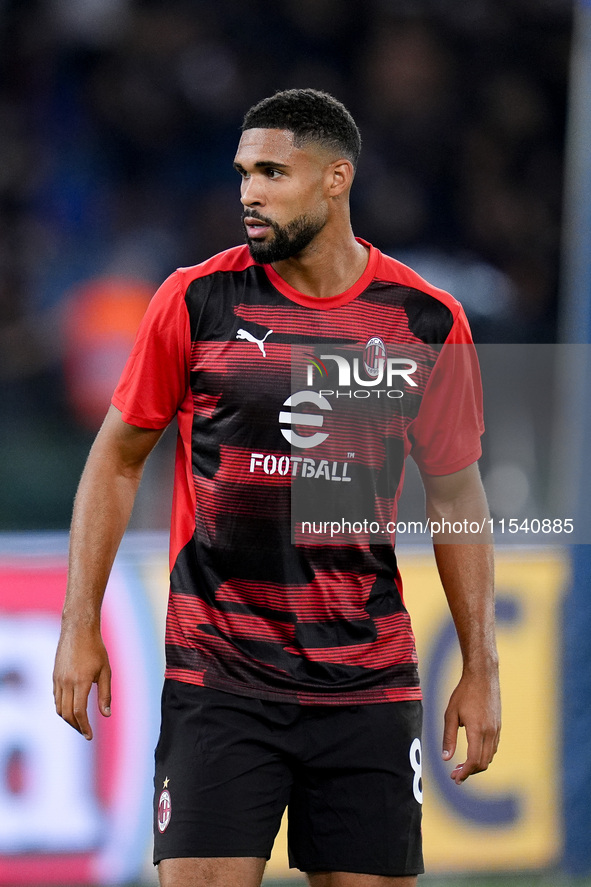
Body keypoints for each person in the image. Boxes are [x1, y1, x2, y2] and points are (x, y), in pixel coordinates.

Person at [53, 88, 501, 887]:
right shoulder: (196, 299)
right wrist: (78, 621)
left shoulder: (425, 320)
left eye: (271, 173)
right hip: (219, 678)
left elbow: (457, 497)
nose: (248, 194)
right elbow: (116, 459)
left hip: (367, 680)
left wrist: (481, 667)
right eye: (241, 175)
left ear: (335, 179)